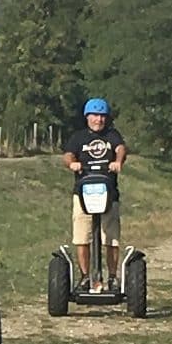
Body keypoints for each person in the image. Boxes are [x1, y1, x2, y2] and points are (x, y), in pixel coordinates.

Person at [62, 98, 128, 292]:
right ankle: (85, 277)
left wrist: (118, 162)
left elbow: (121, 149)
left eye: (102, 116)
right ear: (87, 117)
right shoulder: (79, 137)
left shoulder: (112, 135)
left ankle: (113, 278)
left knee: (111, 237)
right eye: (94, 115)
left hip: (109, 193)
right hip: (83, 193)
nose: (98, 120)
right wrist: (72, 163)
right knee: (82, 236)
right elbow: (67, 155)